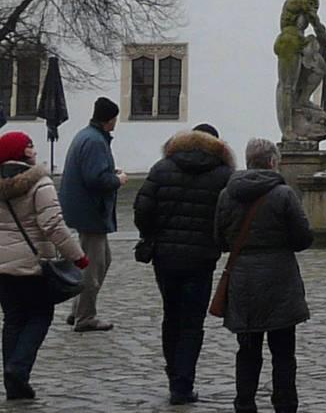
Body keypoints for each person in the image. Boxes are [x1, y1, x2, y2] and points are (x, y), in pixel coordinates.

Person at [133, 122, 235, 405]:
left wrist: (151, 234)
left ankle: (173, 371)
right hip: (201, 258)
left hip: (165, 257)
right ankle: (182, 382)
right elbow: (229, 215)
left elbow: (142, 208)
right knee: (192, 322)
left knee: (171, 315)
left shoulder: (162, 168)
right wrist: (219, 241)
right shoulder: (224, 174)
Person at [214, 138, 314, 413]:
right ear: (272, 162)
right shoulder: (283, 194)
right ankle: (285, 404)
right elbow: (303, 237)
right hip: (279, 277)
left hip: (243, 278)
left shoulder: (227, 194)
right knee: (283, 352)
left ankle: (244, 403)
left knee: (247, 349)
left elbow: (220, 240)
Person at [0, 131, 90, 401]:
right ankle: (18, 368)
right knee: (40, 316)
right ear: (25, 152)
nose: (35, 150)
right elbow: (53, 225)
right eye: (31, 146)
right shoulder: (39, 183)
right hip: (33, 264)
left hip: (2, 267)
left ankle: (13, 379)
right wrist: (78, 256)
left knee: (14, 318)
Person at [58, 96, 125, 332]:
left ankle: (78, 310)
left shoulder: (88, 136)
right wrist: (117, 179)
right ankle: (85, 316)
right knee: (93, 266)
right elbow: (96, 179)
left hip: (87, 211)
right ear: (110, 119)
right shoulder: (95, 141)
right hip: (91, 212)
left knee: (102, 260)